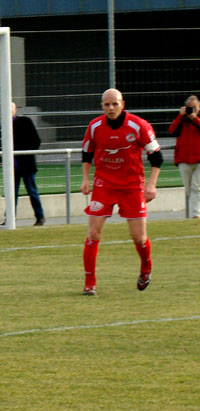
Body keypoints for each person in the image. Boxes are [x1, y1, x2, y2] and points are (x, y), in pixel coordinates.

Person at [80, 88, 163, 296]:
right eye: (107, 104)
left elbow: (157, 157)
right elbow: (86, 154)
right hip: (104, 185)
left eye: (115, 104)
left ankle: (146, 267)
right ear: (102, 106)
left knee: (139, 237)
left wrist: (151, 185)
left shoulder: (139, 125)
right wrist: (85, 179)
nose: (111, 108)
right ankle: (90, 283)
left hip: (132, 187)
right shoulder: (95, 126)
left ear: (122, 104)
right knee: (93, 232)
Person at [12, 102, 45, 226]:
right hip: (13, 166)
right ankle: (10, 218)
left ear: (15, 110)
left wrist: (27, 155)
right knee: (12, 193)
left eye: (11, 108)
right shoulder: (4, 126)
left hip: (27, 165)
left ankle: (40, 217)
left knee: (32, 191)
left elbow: (36, 140)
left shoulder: (25, 121)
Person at [168, 95, 200, 218]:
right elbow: (172, 130)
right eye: (190, 107)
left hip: (199, 160)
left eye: (195, 107)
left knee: (196, 187)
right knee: (189, 189)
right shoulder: (181, 120)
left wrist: (194, 118)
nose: (192, 110)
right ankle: (192, 214)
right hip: (184, 160)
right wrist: (180, 116)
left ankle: (196, 214)